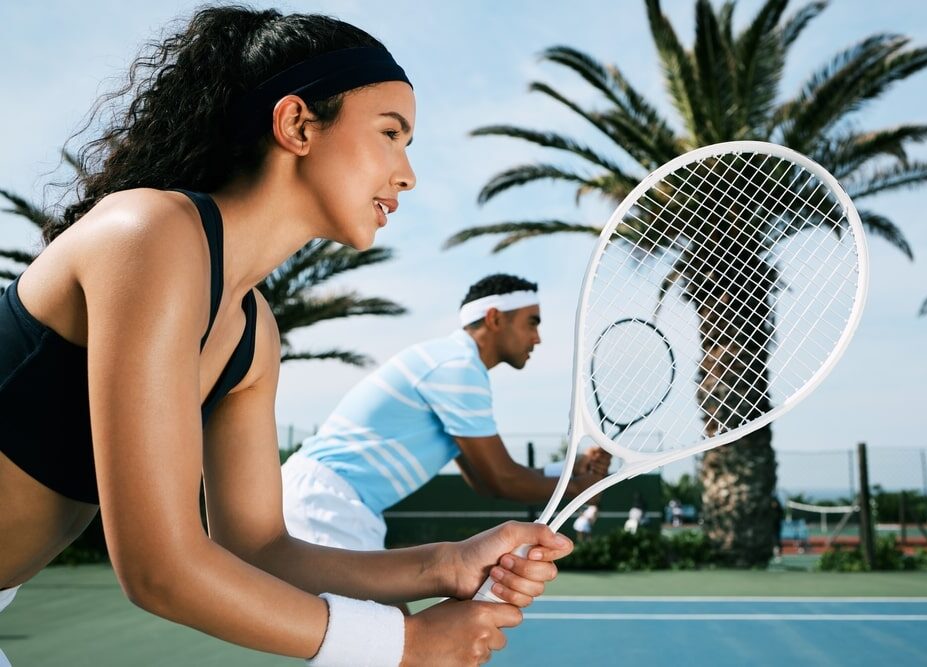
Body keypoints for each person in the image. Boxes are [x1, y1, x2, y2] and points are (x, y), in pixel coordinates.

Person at [0, 7, 573, 666]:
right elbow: (159, 568)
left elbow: (262, 549)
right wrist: (404, 642)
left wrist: (449, 562)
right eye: (392, 133)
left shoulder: (253, 331)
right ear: (297, 124)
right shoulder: (148, 234)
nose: (408, 173)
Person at [282, 273, 612, 552]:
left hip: (328, 499)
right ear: (495, 318)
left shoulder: (453, 362)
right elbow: (502, 480)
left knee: (385, 623)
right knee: (384, 624)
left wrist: (570, 473)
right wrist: (578, 486)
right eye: (531, 323)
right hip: (325, 501)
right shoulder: (458, 367)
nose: (538, 338)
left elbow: (484, 481)